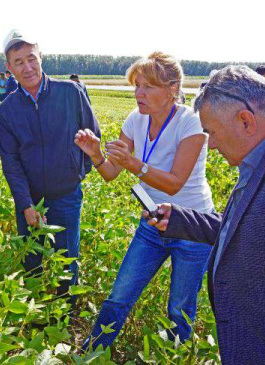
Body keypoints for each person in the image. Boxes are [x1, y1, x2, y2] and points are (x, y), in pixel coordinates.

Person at [148, 65, 265, 364]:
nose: (210, 144)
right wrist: (184, 221)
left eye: (211, 132)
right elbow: (252, 228)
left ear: (245, 121)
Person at [78, 52, 214, 350]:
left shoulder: (190, 123)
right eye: (136, 85)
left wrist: (134, 164)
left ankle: (171, 354)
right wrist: (96, 154)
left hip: (192, 227)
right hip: (152, 223)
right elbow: (112, 172)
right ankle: (91, 352)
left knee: (179, 308)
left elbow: (175, 183)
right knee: (120, 295)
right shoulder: (135, 119)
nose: (138, 93)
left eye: (148, 86)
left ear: (172, 89)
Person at [0, 29, 100, 304]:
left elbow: (93, 137)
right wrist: (25, 204)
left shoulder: (71, 93)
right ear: (9, 68)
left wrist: (75, 173)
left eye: (31, 58)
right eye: (18, 62)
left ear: (41, 56)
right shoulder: (7, 109)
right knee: (32, 259)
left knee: (67, 259)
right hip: (30, 200)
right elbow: (11, 162)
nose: (27, 67)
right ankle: (35, 316)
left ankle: (66, 315)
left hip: (67, 195)